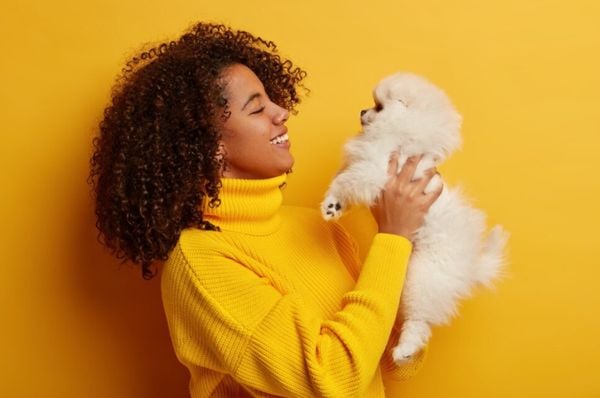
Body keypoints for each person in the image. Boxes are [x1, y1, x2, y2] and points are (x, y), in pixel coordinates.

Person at [88, 22, 443, 397]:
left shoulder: (317, 225)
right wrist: (393, 236)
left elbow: (393, 363)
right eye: (257, 108)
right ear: (210, 145)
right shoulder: (201, 265)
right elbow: (333, 380)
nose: (282, 111)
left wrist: (415, 237)